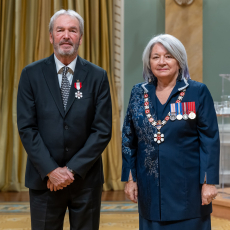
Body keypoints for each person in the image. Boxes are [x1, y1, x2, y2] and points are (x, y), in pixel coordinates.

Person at [17, 9, 112, 230]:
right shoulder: (31, 74)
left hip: (85, 179)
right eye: (60, 30)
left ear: (80, 37)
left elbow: (102, 129)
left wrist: (71, 170)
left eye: (72, 30)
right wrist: (52, 170)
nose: (66, 35)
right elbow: (27, 127)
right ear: (51, 36)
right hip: (44, 181)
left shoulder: (98, 76)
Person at [121, 34, 219, 230]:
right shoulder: (138, 93)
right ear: (149, 62)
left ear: (179, 60)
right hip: (150, 190)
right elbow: (128, 139)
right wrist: (130, 179)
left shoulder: (197, 91)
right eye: (155, 57)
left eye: (168, 56)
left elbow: (209, 140)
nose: (162, 62)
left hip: (188, 191)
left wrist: (209, 182)